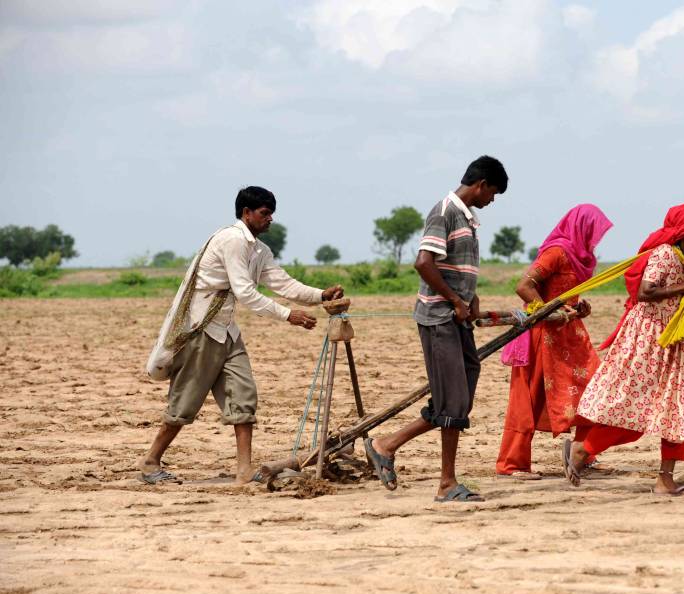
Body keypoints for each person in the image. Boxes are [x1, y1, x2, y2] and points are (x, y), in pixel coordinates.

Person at [140, 186, 343, 485]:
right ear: (246, 213)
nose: (270, 219)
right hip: (201, 330)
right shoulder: (232, 241)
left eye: (271, 213)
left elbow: (282, 282)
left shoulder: (258, 250)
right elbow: (245, 293)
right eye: (264, 213)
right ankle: (150, 462)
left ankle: (244, 469)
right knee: (185, 402)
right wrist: (289, 315)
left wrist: (320, 295)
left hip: (226, 332)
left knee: (243, 396)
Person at [365, 155, 508, 502]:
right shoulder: (445, 211)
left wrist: (469, 299)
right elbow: (423, 263)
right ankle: (446, 483)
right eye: (493, 194)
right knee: (453, 402)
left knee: (457, 400)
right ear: (481, 185)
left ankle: (386, 444)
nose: (492, 201)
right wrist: (455, 302)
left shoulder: (468, 219)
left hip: (456, 318)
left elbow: (455, 267)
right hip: (439, 319)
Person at [567, 203, 684, 495]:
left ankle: (664, 479)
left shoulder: (679, 257)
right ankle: (584, 452)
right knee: (636, 408)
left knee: (675, 410)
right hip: (649, 342)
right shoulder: (664, 254)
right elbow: (646, 292)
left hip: (669, 343)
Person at [495, 204, 613, 479]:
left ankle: (583, 454)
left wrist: (579, 308)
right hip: (542, 335)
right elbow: (524, 286)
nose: (596, 239)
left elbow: (568, 295)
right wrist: (550, 311)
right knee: (529, 398)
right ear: (580, 227)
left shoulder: (580, 259)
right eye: (594, 232)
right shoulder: (556, 252)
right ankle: (512, 464)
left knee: (593, 389)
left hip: (571, 336)